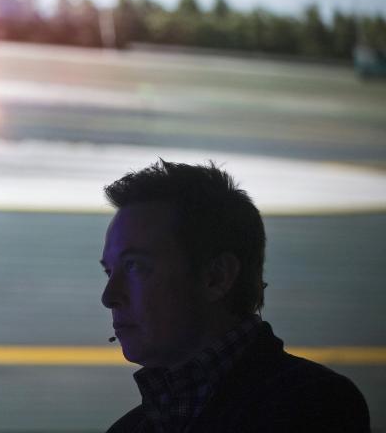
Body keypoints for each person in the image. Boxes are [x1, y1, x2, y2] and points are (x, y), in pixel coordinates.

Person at [100, 159, 370, 433]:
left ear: (217, 277)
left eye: (135, 266)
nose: (109, 296)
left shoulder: (316, 405)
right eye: (109, 272)